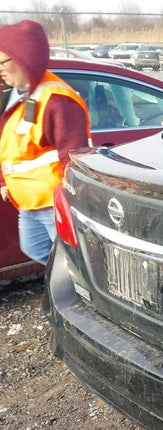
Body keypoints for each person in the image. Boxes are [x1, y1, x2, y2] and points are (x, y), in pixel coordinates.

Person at [0, 20, 91, 265]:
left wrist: (67, 200)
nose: (0, 69)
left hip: (53, 203)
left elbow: (73, 156)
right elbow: (11, 146)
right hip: (29, 203)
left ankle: (76, 297)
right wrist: (4, 181)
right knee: (38, 251)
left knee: (72, 263)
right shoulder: (21, 95)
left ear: (23, 58)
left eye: (3, 62)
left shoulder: (57, 101)